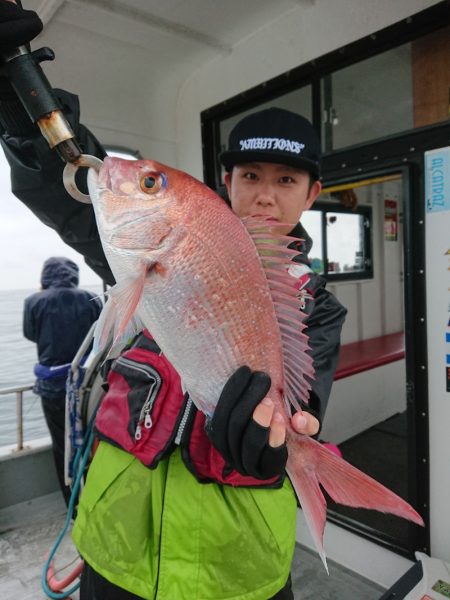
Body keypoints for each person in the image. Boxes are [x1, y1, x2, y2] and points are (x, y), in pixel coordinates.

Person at [0, 3, 347, 598]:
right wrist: (22, 107)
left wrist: (269, 449)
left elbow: (302, 401)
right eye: (251, 176)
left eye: (287, 181)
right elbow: (75, 183)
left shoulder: (319, 305)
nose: (266, 196)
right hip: (115, 550)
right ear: (226, 179)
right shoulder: (162, 242)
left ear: (313, 192)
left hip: (232, 568)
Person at [23, 256, 103, 504]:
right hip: (88, 385)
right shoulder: (91, 298)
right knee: (95, 441)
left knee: (62, 446)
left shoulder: (33, 301)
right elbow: (100, 336)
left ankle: (73, 502)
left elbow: (30, 334)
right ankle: (97, 496)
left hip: (54, 388)